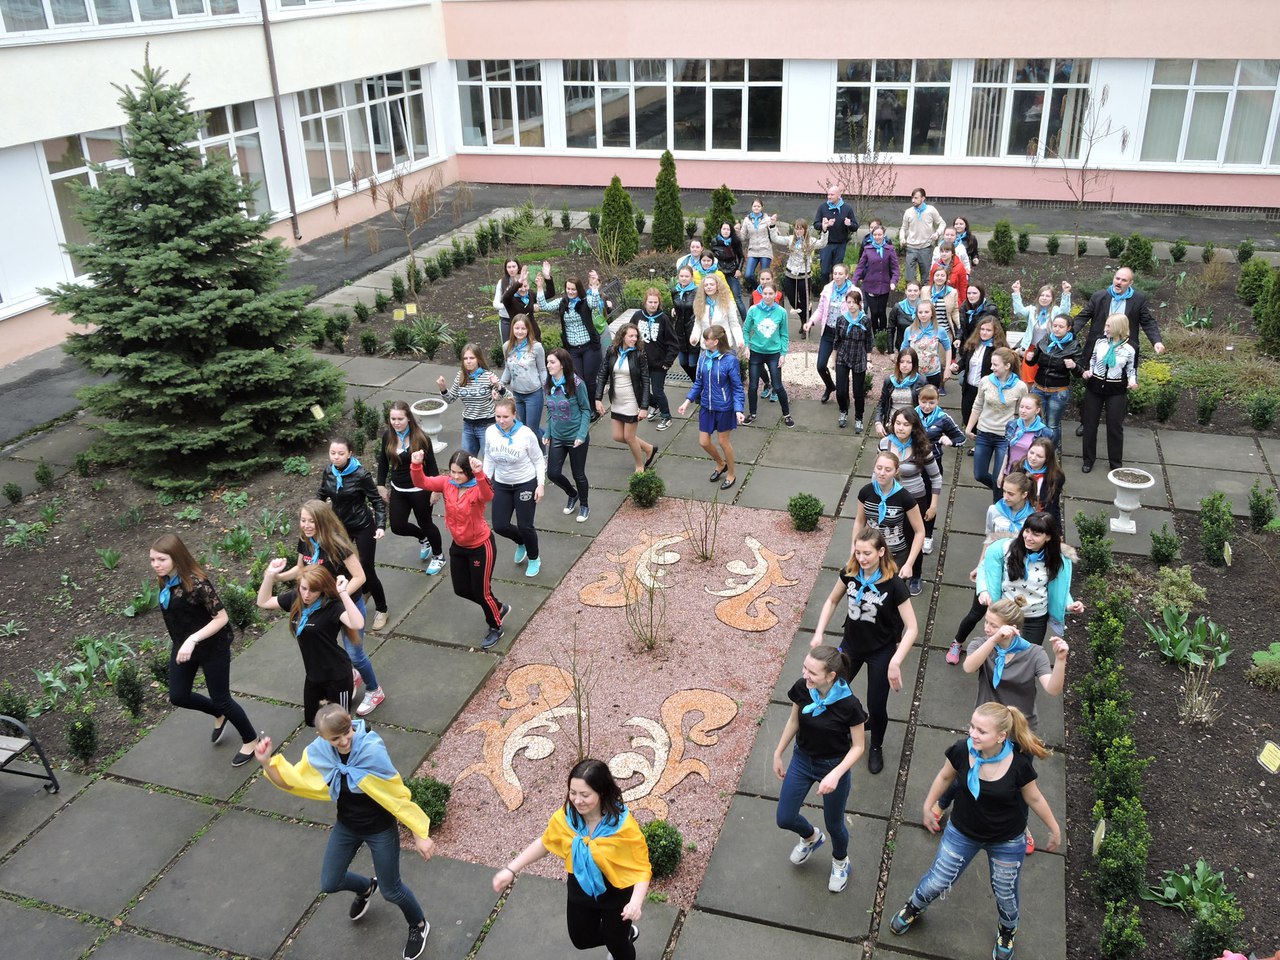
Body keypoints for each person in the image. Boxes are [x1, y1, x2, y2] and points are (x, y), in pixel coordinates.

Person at [254, 704, 435, 960]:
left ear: (351, 721)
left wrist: (419, 833)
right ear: (321, 737)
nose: (344, 741)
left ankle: (419, 924)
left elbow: (396, 793)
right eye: (335, 738)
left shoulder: (371, 750)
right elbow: (293, 781)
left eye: (347, 732)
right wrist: (266, 762)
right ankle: (366, 888)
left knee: (392, 890)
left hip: (380, 829)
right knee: (330, 882)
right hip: (347, 826)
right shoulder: (319, 752)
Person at [888, 702, 1062, 960]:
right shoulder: (962, 750)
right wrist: (928, 805)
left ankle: (1007, 930)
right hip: (962, 832)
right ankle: (914, 906)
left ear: (1001, 736)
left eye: (981, 731)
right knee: (939, 880)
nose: (973, 734)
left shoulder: (1018, 764)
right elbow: (945, 777)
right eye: (972, 727)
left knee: (1005, 891)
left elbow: (1034, 798)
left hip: (1006, 840)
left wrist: (1054, 828)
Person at [493, 759, 651, 960]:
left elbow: (641, 868)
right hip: (581, 885)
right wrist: (511, 869)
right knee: (581, 939)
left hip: (617, 892)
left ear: (602, 792)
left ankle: (619, 940)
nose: (577, 800)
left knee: (618, 946)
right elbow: (546, 842)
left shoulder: (623, 827)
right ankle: (623, 935)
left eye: (585, 795)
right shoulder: (567, 818)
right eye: (573, 793)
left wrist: (635, 902)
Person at [810, 529, 917, 776]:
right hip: (851, 646)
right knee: (830, 690)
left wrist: (895, 661)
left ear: (881, 552)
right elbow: (831, 601)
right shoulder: (850, 573)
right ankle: (845, 727)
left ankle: (876, 745)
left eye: (867, 553)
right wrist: (819, 632)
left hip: (881, 651)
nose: (861, 558)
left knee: (877, 706)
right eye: (858, 552)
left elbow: (912, 628)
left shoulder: (894, 584)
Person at [149, 534, 259, 766]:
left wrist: (193, 639)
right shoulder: (166, 580)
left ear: (176, 557)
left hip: (211, 647)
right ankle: (218, 714)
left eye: (161, 559)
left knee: (222, 699)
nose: (156, 564)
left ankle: (251, 740)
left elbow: (221, 618)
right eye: (152, 560)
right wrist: (186, 642)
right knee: (178, 696)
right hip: (185, 647)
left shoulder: (197, 584)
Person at [276, 499, 385, 716]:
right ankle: (352, 676)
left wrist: (339, 596)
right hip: (323, 606)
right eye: (303, 520)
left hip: (347, 603)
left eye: (311, 521)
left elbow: (360, 577)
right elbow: (301, 569)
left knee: (355, 654)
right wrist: (275, 576)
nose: (306, 525)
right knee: (328, 646)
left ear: (322, 521)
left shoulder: (337, 545)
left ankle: (374, 690)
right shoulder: (305, 541)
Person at [772, 645, 867, 892]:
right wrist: (778, 752)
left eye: (812, 672)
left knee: (834, 824)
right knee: (785, 818)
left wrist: (835, 774)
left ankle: (841, 861)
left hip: (833, 766)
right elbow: (794, 721)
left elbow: (858, 746)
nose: (805, 675)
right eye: (805, 668)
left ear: (831, 676)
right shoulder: (803, 688)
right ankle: (811, 837)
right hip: (802, 760)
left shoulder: (849, 705)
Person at [410, 450, 508, 649]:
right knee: (461, 589)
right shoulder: (447, 483)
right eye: (452, 471)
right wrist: (416, 465)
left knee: (482, 592)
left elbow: (488, 495)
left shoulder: (477, 487)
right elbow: (422, 482)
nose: (455, 476)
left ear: (468, 472)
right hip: (459, 546)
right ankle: (498, 607)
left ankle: (495, 626)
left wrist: (480, 473)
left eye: (460, 473)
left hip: (481, 546)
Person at [946, 471, 1037, 664]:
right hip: (993, 570)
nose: (1005, 497)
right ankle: (957, 642)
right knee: (976, 612)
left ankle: (1005, 650)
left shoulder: (1032, 517)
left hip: (1014, 576)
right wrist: (980, 565)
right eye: (1004, 491)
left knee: (1011, 617)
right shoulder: (994, 510)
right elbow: (989, 539)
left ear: (1024, 494)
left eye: (1010, 493)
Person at [256, 562, 362, 726]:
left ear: (322, 590)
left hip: (337, 675)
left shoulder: (332, 607)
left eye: (313, 590)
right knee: (313, 721)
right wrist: (270, 575)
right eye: (303, 588)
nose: (306, 594)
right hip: (314, 675)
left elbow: (357, 624)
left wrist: (343, 593)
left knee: (340, 725)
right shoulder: (296, 599)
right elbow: (263, 602)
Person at [1071, 267, 1164, 439]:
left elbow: (1148, 322)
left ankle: (1114, 425)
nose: (1118, 282)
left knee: (1119, 389)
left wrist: (1156, 341)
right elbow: (1083, 316)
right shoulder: (1099, 297)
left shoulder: (1138, 300)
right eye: (1117, 278)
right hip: (1099, 349)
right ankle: (1086, 422)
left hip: (1123, 351)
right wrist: (1069, 334)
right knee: (1090, 388)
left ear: (1130, 283)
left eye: (1123, 280)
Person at [977, 512, 1084, 645]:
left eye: (1036, 534)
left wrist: (1069, 605)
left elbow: (1059, 588)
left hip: (1035, 619)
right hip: (1005, 615)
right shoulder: (1003, 548)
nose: (1028, 537)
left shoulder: (1057, 559)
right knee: (998, 651)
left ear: (1048, 537)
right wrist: (983, 590)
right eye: (1026, 531)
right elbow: (985, 569)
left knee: (1029, 655)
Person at [317, 436, 389, 632]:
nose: (336, 457)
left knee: (366, 568)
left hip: (362, 525)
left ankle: (382, 609)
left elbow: (377, 501)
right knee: (341, 566)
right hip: (340, 527)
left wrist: (380, 525)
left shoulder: (361, 475)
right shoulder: (328, 472)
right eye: (332, 453)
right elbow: (321, 495)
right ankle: (362, 592)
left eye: (341, 453)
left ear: (349, 454)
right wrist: (314, 516)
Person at [377, 402, 445, 577]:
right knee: (397, 526)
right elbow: (383, 461)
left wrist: (436, 489)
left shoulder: (421, 438)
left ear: (408, 418)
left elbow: (432, 466)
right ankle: (423, 538)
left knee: (426, 523)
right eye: (393, 419)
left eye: (400, 419)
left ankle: (438, 556)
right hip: (398, 489)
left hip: (420, 489)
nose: (396, 422)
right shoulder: (388, 436)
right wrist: (380, 485)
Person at [677, 324, 746, 490]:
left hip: (724, 408)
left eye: (706, 340)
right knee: (703, 442)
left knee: (723, 442)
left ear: (715, 342)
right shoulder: (703, 357)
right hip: (707, 407)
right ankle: (721, 464)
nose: (704, 342)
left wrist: (738, 410)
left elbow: (737, 387)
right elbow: (699, 382)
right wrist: (687, 401)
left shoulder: (730, 360)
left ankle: (731, 474)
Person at [485, 398, 546, 578]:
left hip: (525, 482)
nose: (501, 421)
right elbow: (488, 458)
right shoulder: (490, 432)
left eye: (505, 417)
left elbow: (538, 460)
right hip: (502, 483)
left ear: (514, 415)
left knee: (525, 525)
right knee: (500, 525)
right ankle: (522, 542)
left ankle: (534, 558)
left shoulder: (526, 434)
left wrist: (540, 485)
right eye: (498, 416)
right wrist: (485, 482)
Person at [851, 452, 926, 594]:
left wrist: (909, 564)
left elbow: (920, 532)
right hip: (870, 552)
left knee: (891, 596)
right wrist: (854, 550)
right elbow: (859, 522)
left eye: (888, 469)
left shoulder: (905, 498)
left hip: (895, 554)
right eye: (879, 468)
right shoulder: (866, 492)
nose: (882, 473)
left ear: (896, 471)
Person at [879, 407, 943, 565]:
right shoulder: (885, 443)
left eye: (906, 424)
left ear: (913, 427)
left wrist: (933, 506)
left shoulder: (922, 447)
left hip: (914, 500)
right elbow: (877, 472)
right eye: (898, 423)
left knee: (913, 538)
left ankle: (914, 573)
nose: (900, 428)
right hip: (889, 498)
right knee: (887, 539)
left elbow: (936, 477)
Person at [537, 265, 604, 410]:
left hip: (589, 347)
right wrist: (541, 286)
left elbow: (594, 304)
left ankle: (593, 407)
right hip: (573, 349)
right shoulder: (563, 303)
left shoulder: (585, 301)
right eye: (568, 289)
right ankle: (584, 407)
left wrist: (594, 286)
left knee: (590, 380)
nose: (570, 291)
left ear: (578, 289)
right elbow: (544, 306)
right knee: (578, 380)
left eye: (573, 289)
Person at [966, 347, 1028, 499]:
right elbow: (977, 405)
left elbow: (1022, 413)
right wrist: (969, 428)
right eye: (991, 364)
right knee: (979, 474)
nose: (991, 367)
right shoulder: (985, 381)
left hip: (1004, 437)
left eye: (995, 364)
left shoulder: (1020, 387)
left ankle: (998, 504)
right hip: (983, 434)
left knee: (998, 478)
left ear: (1007, 366)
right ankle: (1004, 492)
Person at [1080, 313, 1138, 473]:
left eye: (1108, 326)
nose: (1105, 329)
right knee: (1090, 424)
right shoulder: (1100, 342)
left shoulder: (1130, 348)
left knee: (1114, 427)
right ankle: (1088, 460)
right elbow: (1093, 359)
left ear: (1118, 328)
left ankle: (1115, 463)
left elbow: (1131, 369)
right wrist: (1089, 371)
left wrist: (1132, 381)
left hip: (1116, 390)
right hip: (1095, 387)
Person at [596, 323, 658, 473]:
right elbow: (603, 374)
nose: (634, 339)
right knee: (618, 436)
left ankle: (640, 465)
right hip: (617, 400)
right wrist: (598, 398)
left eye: (636, 336)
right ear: (622, 336)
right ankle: (649, 448)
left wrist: (644, 407)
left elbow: (645, 381)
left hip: (632, 400)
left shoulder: (639, 354)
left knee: (629, 437)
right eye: (631, 336)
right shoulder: (612, 350)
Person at [543, 348, 593, 524]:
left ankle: (584, 505)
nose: (548, 365)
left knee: (578, 474)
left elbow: (586, 410)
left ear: (562, 364)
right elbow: (550, 410)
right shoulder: (548, 383)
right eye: (547, 362)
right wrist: (548, 432)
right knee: (552, 473)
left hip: (576, 437)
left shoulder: (577, 384)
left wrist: (581, 435)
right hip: (557, 437)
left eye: (552, 362)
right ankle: (572, 494)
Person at [1024, 313, 1081, 449]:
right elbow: (1033, 362)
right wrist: (1029, 358)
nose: (1057, 329)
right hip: (1039, 388)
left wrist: (1074, 366)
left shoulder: (1073, 346)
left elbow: (1080, 372)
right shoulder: (1045, 340)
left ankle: (1051, 453)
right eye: (1055, 325)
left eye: (1061, 326)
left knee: (1052, 425)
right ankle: (1034, 450)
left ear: (1068, 328)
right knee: (1035, 421)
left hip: (1058, 391)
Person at [741, 282, 794, 427]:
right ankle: (752, 414)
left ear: (776, 294)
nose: (768, 296)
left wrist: (783, 354)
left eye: (771, 294)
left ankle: (787, 414)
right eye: (765, 293)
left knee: (777, 385)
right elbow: (746, 329)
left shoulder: (781, 312)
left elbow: (784, 334)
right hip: (756, 352)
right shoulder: (753, 310)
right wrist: (747, 346)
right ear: (761, 294)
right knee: (753, 386)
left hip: (773, 354)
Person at [437, 344, 503, 459]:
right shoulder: (460, 376)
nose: (468, 361)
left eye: (472, 358)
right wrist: (443, 388)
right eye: (465, 358)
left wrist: (497, 391)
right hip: (468, 425)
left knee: (489, 460)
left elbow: (505, 396)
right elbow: (450, 399)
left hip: (487, 425)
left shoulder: (488, 376)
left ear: (478, 359)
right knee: (465, 461)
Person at [804, 263, 855, 404]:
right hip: (828, 332)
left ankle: (844, 396)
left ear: (846, 275)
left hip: (844, 335)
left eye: (840, 274)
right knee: (820, 365)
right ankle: (830, 386)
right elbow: (820, 310)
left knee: (841, 368)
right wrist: (811, 322)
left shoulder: (853, 291)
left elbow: (858, 312)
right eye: (835, 273)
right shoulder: (827, 289)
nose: (837, 276)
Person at [952, 316, 1009, 438]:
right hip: (969, 388)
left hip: (987, 389)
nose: (984, 332)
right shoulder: (973, 344)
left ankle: (981, 442)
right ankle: (974, 437)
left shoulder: (998, 349)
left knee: (983, 419)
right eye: (982, 329)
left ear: (995, 332)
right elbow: (965, 360)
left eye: (988, 330)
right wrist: (957, 367)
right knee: (967, 416)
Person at [634, 287, 679, 430]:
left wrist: (667, 362)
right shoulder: (637, 316)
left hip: (658, 363)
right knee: (638, 389)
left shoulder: (663, 319)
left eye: (655, 302)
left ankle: (666, 416)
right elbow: (628, 333)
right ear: (645, 302)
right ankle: (655, 405)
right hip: (641, 362)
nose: (652, 305)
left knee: (658, 390)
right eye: (650, 302)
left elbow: (674, 343)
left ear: (659, 303)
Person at [770, 217, 827, 327]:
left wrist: (824, 230)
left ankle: (806, 324)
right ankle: (804, 317)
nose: (798, 231)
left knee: (805, 301)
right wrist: (772, 225)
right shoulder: (791, 239)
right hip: (790, 274)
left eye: (800, 229)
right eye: (796, 228)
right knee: (792, 301)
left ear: (805, 230)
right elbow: (775, 239)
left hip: (804, 276)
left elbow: (822, 243)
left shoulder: (810, 241)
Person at [499, 316, 547, 442]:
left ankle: (542, 451)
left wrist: (548, 389)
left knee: (531, 430)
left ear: (528, 329)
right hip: (516, 395)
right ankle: (545, 437)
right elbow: (507, 369)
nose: (520, 331)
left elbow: (542, 370)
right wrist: (500, 385)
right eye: (517, 328)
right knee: (521, 429)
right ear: (512, 329)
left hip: (533, 394)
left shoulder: (536, 347)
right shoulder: (507, 346)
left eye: (523, 328)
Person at [832, 288, 874, 432]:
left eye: (854, 302)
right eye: (848, 302)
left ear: (859, 303)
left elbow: (869, 340)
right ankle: (843, 410)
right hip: (843, 357)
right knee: (840, 391)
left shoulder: (865, 320)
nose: (851, 305)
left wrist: (868, 360)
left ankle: (859, 418)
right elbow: (836, 341)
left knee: (858, 392)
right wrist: (833, 359)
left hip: (859, 357)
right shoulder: (841, 319)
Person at [851, 223, 901, 336]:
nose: (877, 237)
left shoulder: (889, 249)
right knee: (874, 312)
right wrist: (854, 281)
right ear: (872, 235)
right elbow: (860, 267)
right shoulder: (868, 249)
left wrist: (893, 281)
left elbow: (895, 268)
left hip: (884, 285)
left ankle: (882, 335)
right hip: (870, 285)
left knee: (881, 311)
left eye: (880, 235)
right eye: (875, 235)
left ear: (884, 235)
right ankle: (874, 334)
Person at [1016, 438, 1066, 534]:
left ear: (1047, 459)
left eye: (1039, 456)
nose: (1033, 458)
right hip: (1018, 517)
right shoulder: (1018, 468)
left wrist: (1058, 532)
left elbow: (1054, 506)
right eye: (1031, 452)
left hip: (1039, 521)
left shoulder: (1055, 477)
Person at [688, 272, 744, 357]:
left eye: (712, 284)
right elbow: (698, 324)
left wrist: (739, 340)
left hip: (724, 346)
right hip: (706, 347)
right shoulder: (699, 303)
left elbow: (734, 324)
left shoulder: (728, 303)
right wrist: (694, 337)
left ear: (717, 286)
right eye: (706, 285)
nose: (709, 287)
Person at [901, 300, 953, 390]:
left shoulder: (940, 330)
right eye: (920, 312)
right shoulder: (909, 330)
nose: (923, 315)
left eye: (926, 312)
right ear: (916, 314)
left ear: (932, 313)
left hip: (933, 373)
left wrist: (947, 368)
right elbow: (903, 350)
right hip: (914, 373)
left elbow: (948, 348)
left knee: (930, 397)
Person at [898, 188, 946, 284]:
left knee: (926, 278)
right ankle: (912, 292)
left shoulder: (931, 210)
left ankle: (925, 293)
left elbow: (942, 223)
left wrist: (937, 233)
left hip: (926, 247)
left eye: (916, 198)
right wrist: (902, 238)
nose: (913, 200)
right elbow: (903, 228)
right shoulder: (908, 212)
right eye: (912, 198)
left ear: (923, 198)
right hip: (911, 247)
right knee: (909, 278)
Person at [915, 385, 967, 472]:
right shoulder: (911, 416)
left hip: (934, 459)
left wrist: (951, 441)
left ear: (937, 401)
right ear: (918, 399)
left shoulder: (943, 419)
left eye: (931, 403)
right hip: (913, 458)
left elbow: (961, 438)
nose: (927, 406)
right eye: (923, 402)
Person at [874, 348, 924, 437]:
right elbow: (881, 403)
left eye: (908, 362)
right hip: (892, 424)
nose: (904, 365)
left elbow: (926, 405)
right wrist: (878, 422)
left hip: (912, 425)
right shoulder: (889, 381)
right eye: (902, 362)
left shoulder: (921, 381)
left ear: (914, 364)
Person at [814, 185, 857, 285]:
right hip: (826, 244)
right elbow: (816, 224)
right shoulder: (823, 207)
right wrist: (825, 225)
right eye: (828, 194)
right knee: (824, 272)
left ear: (839, 195)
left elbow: (855, 226)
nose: (829, 197)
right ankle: (825, 292)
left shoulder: (847, 208)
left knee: (837, 272)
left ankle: (836, 291)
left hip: (840, 244)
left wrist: (849, 224)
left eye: (832, 195)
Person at [1012, 280, 1072, 352]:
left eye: (1047, 296)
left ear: (1052, 299)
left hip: (1048, 348)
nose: (1044, 298)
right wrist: (1016, 292)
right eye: (1042, 295)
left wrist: (1066, 293)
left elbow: (1064, 313)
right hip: (1030, 347)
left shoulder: (1055, 310)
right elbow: (1019, 312)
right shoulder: (1032, 310)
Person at [670, 266, 701, 382]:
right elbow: (676, 304)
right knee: (683, 362)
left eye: (686, 276)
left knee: (693, 363)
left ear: (692, 277)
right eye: (681, 276)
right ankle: (697, 384)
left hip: (692, 329)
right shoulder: (675, 291)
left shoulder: (697, 291)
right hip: (679, 331)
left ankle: (699, 385)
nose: (684, 278)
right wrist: (674, 309)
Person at [739, 199, 777, 286]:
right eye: (754, 206)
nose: (756, 208)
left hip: (765, 250)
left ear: (762, 207)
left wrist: (773, 224)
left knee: (764, 276)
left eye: (758, 206)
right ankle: (758, 289)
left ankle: (765, 290)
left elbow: (774, 234)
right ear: (752, 207)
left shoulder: (767, 219)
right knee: (748, 275)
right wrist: (736, 231)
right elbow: (742, 237)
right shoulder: (747, 220)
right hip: (753, 251)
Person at [924, 264, 961, 341]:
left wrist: (960, 326)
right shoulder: (924, 291)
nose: (939, 278)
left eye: (942, 276)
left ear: (946, 278)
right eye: (937, 275)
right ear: (933, 277)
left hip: (945, 332)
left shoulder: (952, 292)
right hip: (927, 332)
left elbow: (955, 311)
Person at [493, 257, 522, 344]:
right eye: (509, 267)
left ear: (518, 267)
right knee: (507, 346)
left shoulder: (523, 281)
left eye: (514, 266)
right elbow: (495, 303)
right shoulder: (502, 282)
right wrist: (506, 305)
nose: (511, 269)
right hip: (506, 320)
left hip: (520, 319)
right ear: (506, 269)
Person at [888, 281, 922, 353]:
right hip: (902, 348)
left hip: (921, 348)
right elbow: (891, 329)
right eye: (910, 290)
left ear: (920, 292)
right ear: (906, 291)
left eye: (915, 291)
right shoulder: (897, 307)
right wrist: (890, 351)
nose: (912, 293)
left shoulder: (925, 307)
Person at [584, 269, 614, 334]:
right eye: (591, 285)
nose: (594, 287)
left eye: (596, 284)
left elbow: (606, 311)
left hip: (603, 325)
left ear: (600, 284)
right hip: (592, 328)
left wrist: (610, 307)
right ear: (588, 285)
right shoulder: (586, 298)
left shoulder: (603, 296)